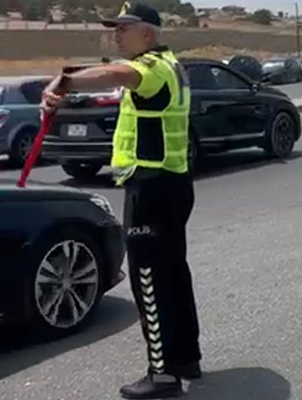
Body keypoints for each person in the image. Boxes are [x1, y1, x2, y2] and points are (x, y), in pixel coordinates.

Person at [41, 2, 200, 399]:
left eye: (124, 28)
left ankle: (162, 375)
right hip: (172, 183)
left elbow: (117, 73)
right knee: (173, 273)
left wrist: (64, 81)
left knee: (149, 278)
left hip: (150, 188)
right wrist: (67, 80)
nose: (116, 34)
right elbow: (116, 72)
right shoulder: (171, 65)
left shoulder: (151, 68)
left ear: (147, 33)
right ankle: (185, 359)